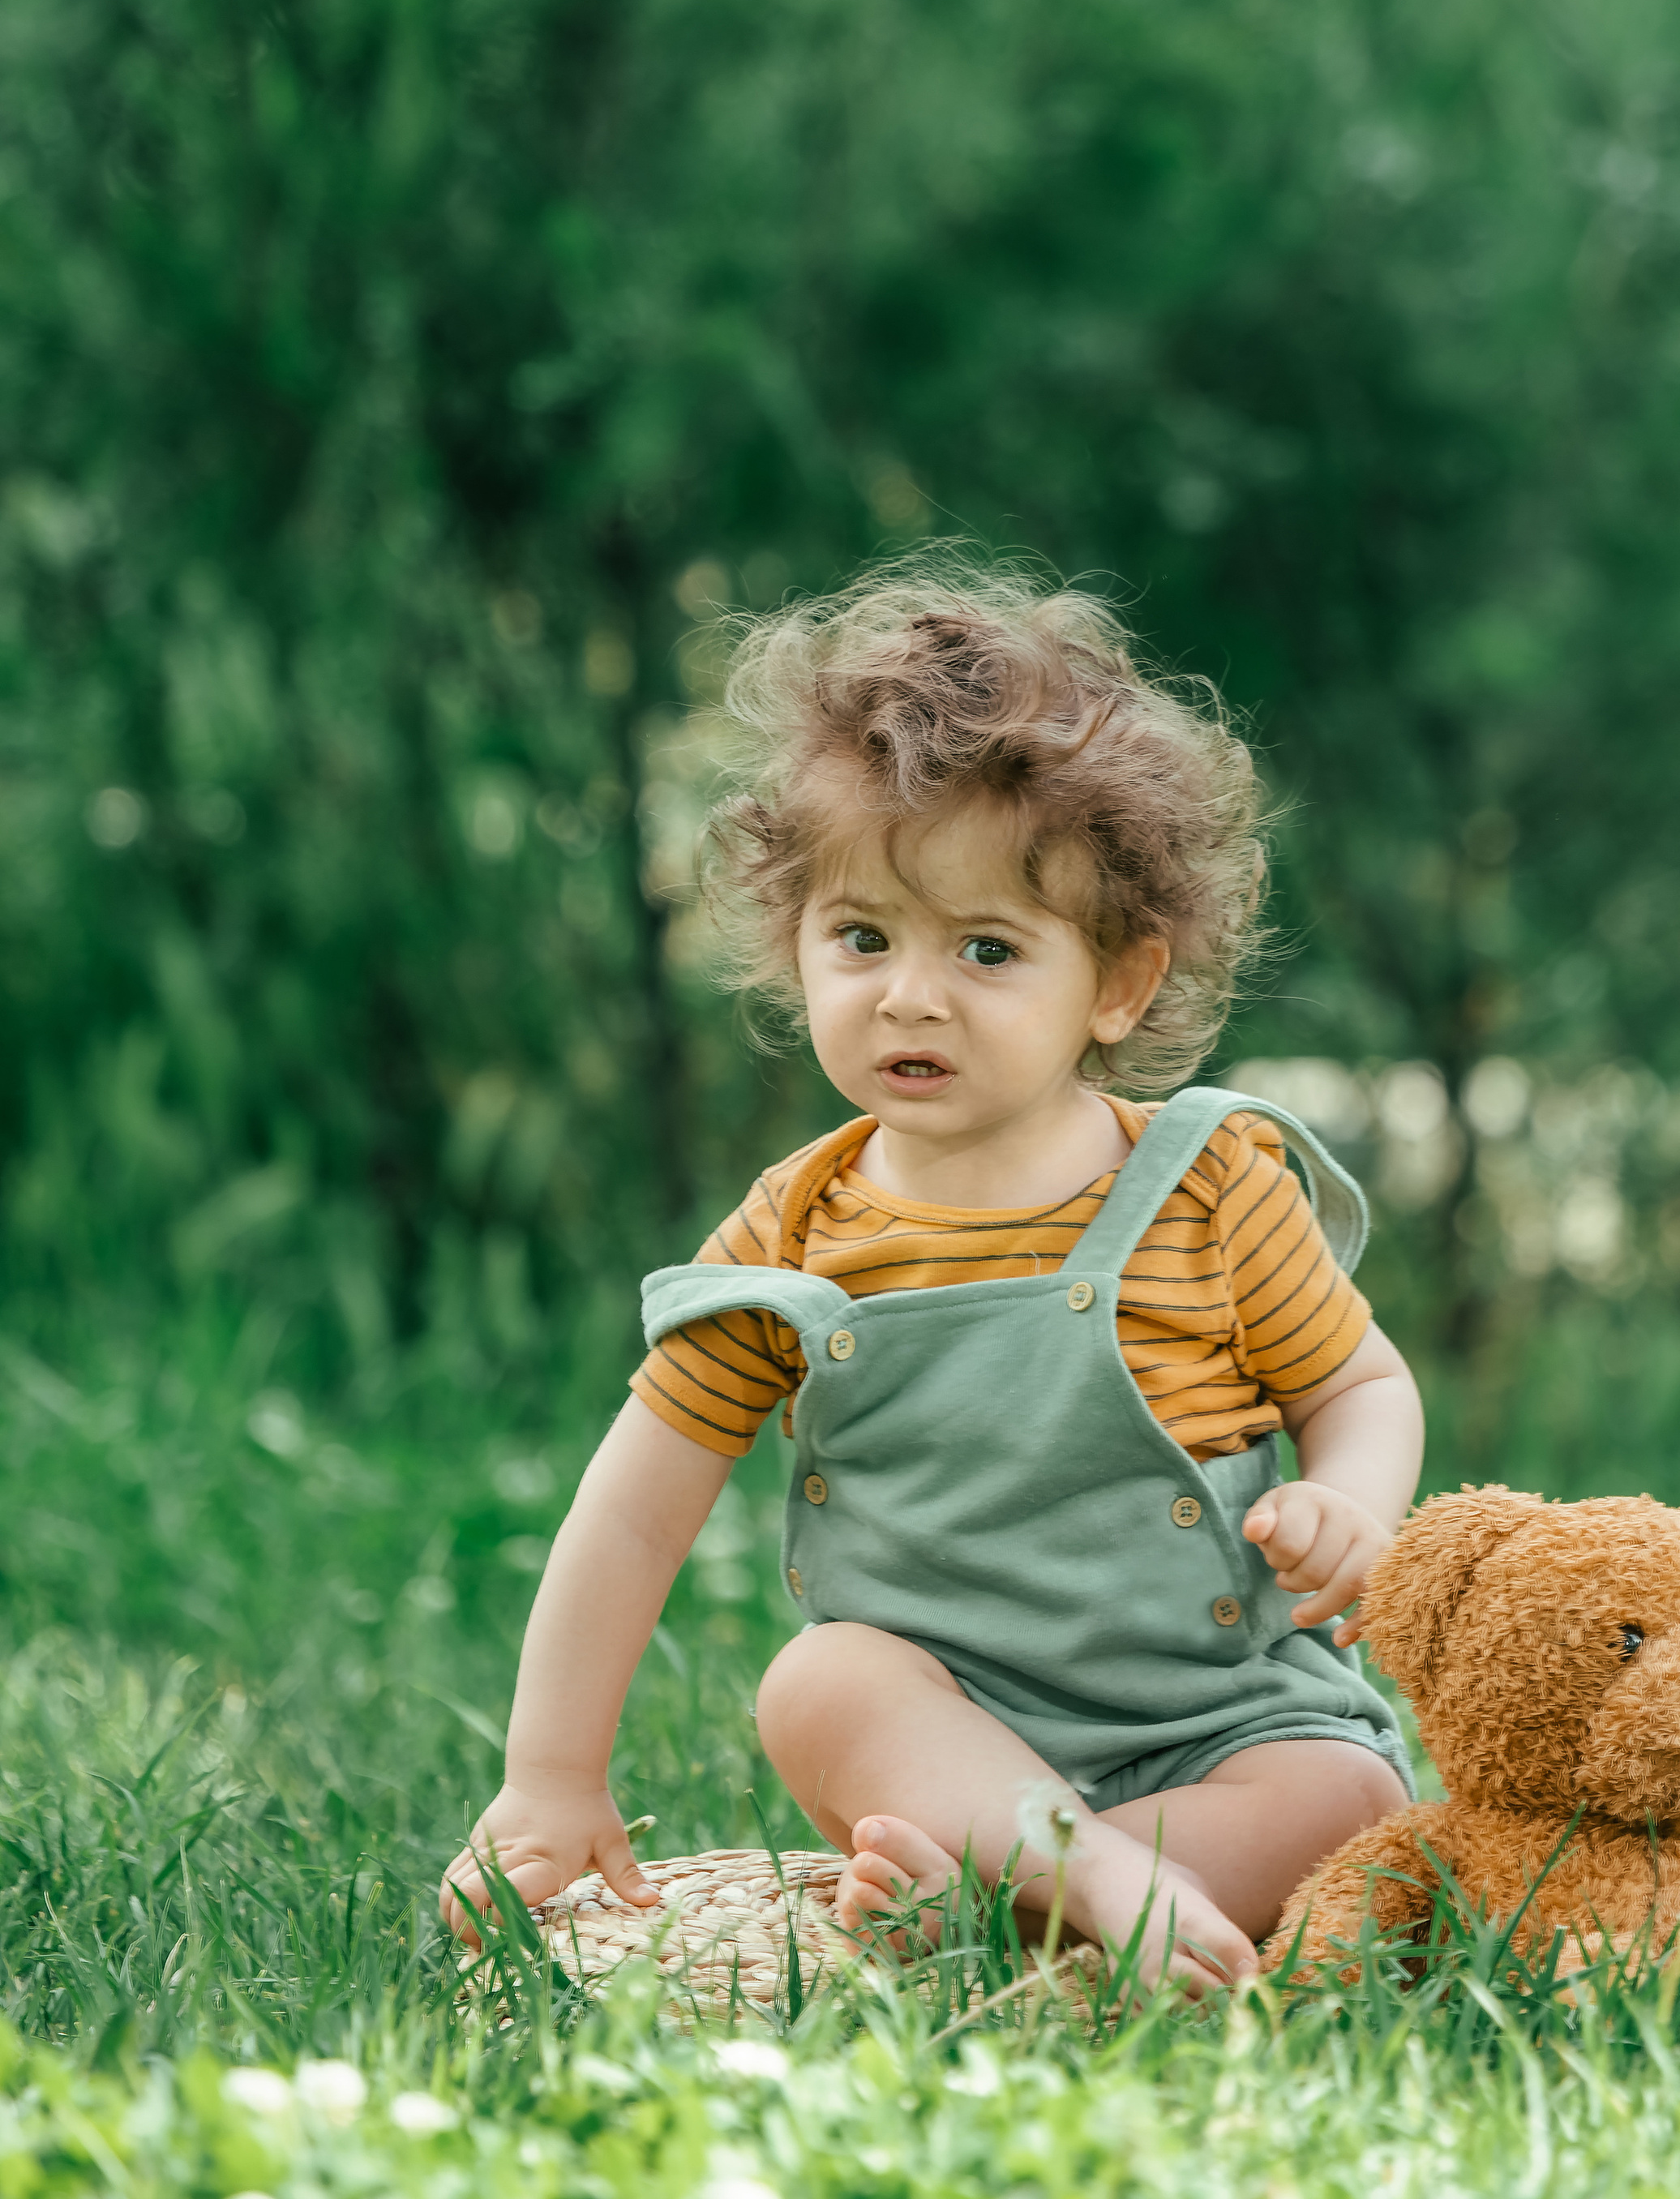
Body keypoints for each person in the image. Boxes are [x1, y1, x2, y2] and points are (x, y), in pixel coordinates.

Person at [441, 563, 1424, 1989]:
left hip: (1221, 1727)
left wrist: (1354, 1498)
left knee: (1353, 1804)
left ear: (1119, 985)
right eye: (862, 938)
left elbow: (1361, 1381)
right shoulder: (797, 1233)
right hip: (949, 1733)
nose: (911, 994)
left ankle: (1008, 1899)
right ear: (796, 943)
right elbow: (634, 1514)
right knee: (822, 1679)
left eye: (986, 948)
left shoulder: (1211, 1188)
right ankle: (1073, 1882)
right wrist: (550, 1775)